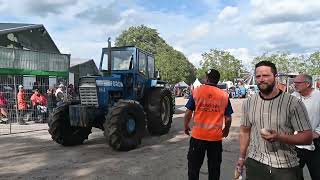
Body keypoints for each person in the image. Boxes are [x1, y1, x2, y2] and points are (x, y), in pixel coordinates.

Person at [236, 61, 313, 180]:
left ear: (275, 77)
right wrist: (241, 158)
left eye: (266, 75)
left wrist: (279, 137)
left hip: (285, 167)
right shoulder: (249, 103)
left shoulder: (293, 103)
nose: (261, 79)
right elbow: (245, 131)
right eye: (258, 76)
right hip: (255, 164)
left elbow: (307, 137)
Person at [184, 69, 234, 180]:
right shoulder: (224, 95)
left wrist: (186, 126)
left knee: (193, 167)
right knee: (214, 168)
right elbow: (228, 118)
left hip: (198, 137)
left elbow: (188, 112)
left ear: (207, 78)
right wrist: (226, 130)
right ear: (218, 80)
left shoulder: (197, 91)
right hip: (215, 138)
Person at [292, 74, 320, 180]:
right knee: (294, 175)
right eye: (294, 82)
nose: (294, 85)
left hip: (315, 144)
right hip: (295, 145)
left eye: (298, 83)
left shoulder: (318, 96)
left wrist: (317, 132)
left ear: (307, 84)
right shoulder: (293, 97)